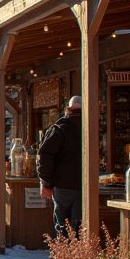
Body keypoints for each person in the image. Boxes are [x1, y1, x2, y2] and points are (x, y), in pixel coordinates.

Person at [38, 95, 83, 238]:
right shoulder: (90, 127)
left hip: (63, 185)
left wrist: (46, 181)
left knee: (62, 225)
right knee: (80, 226)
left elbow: (44, 154)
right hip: (85, 185)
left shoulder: (59, 128)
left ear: (68, 109)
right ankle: (78, 257)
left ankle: (62, 257)